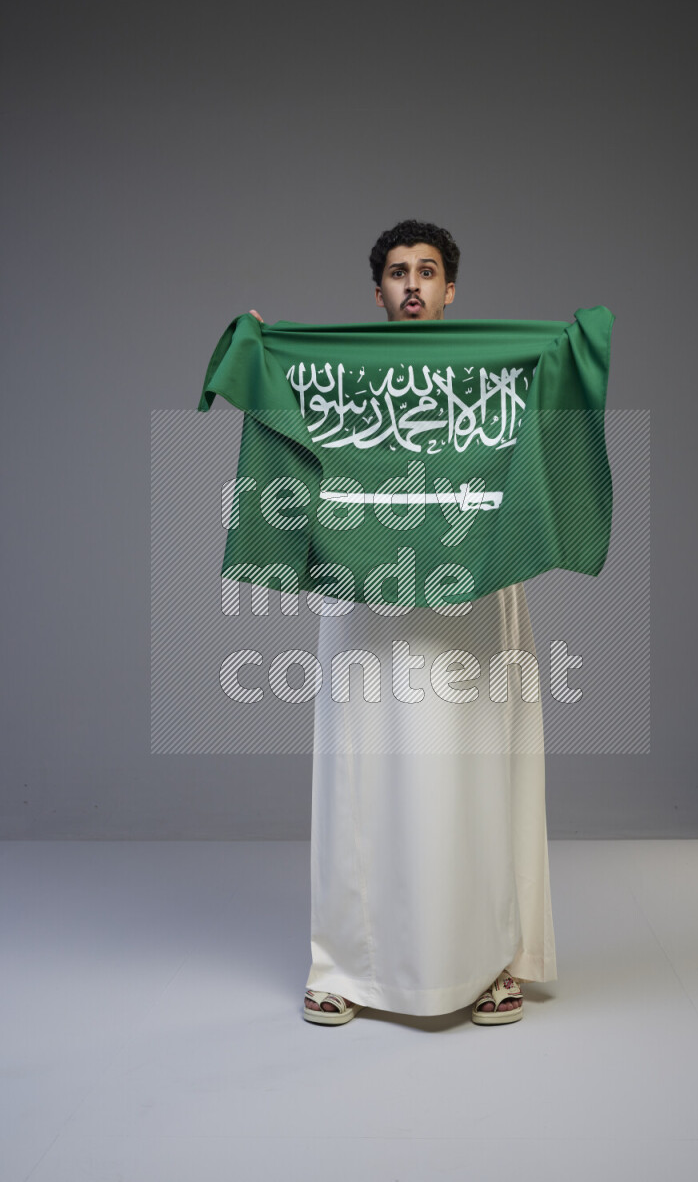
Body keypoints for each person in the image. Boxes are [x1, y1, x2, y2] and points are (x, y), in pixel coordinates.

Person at [252, 219, 556, 1026]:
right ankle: (344, 963)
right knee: (362, 763)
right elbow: (290, 422)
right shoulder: (341, 378)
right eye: (397, 271)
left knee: (473, 760)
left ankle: (492, 959)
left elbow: (545, 440)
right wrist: (260, 353)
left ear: (451, 289)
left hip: (471, 583)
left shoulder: (494, 375)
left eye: (427, 271)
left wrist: (570, 346)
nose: (413, 283)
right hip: (367, 584)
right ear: (378, 291)